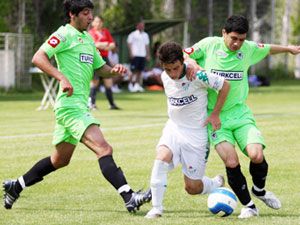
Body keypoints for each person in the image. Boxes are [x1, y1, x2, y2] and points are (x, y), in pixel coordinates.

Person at [3, 0, 151, 213]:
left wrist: (114, 70)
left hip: (79, 106)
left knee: (60, 160)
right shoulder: (63, 35)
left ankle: (15, 186)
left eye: (91, 13)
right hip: (70, 106)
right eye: (86, 13)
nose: (91, 17)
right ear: (72, 14)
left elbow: (100, 69)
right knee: (104, 148)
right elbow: (38, 57)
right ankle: (129, 197)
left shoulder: (87, 40)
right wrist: (61, 77)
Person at [184, 15, 300, 219]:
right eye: (234, 38)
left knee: (256, 155)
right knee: (231, 161)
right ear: (224, 33)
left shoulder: (247, 48)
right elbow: (183, 54)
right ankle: (249, 206)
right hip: (215, 117)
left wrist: (288, 48)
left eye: (242, 39)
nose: (237, 43)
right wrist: (191, 61)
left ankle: (259, 190)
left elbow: (266, 47)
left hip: (240, 113)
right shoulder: (209, 45)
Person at [145, 41, 230, 218]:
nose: (172, 74)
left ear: (182, 61)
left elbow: (225, 86)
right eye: (168, 69)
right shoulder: (164, 76)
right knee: (161, 158)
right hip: (173, 128)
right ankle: (156, 208)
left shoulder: (198, 75)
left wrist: (215, 114)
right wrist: (186, 63)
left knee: (192, 188)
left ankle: (214, 183)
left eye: (175, 68)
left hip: (196, 135)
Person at [88, 15, 120, 110]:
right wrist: (103, 44)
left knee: (108, 81)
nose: (98, 23)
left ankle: (111, 104)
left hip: (105, 58)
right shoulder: (90, 33)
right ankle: (91, 104)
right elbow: (93, 45)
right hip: (95, 58)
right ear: (93, 23)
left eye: (100, 21)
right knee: (95, 81)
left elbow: (112, 44)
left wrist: (103, 46)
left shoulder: (105, 32)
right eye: (96, 21)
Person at [127, 21, 150, 92]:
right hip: (135, 55)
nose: (142, 27)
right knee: (133, 71)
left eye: (143, 25)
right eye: (140, 25)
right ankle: (130, 85)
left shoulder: (146, 35)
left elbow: (147, 45)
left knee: (140, 71)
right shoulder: (132, 34)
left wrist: (148, 54)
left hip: (142, 55)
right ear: (137, 26)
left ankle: (137, 85)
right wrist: (131, 53)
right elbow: (129, 44)